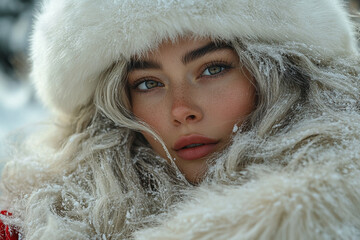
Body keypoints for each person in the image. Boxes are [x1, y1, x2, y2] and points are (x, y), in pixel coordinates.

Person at [0, 0, 360, 239]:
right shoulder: (36, 224)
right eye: (148, 83)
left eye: (213, 69)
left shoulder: (340, 209)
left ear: (282, 77)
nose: (182, 109)